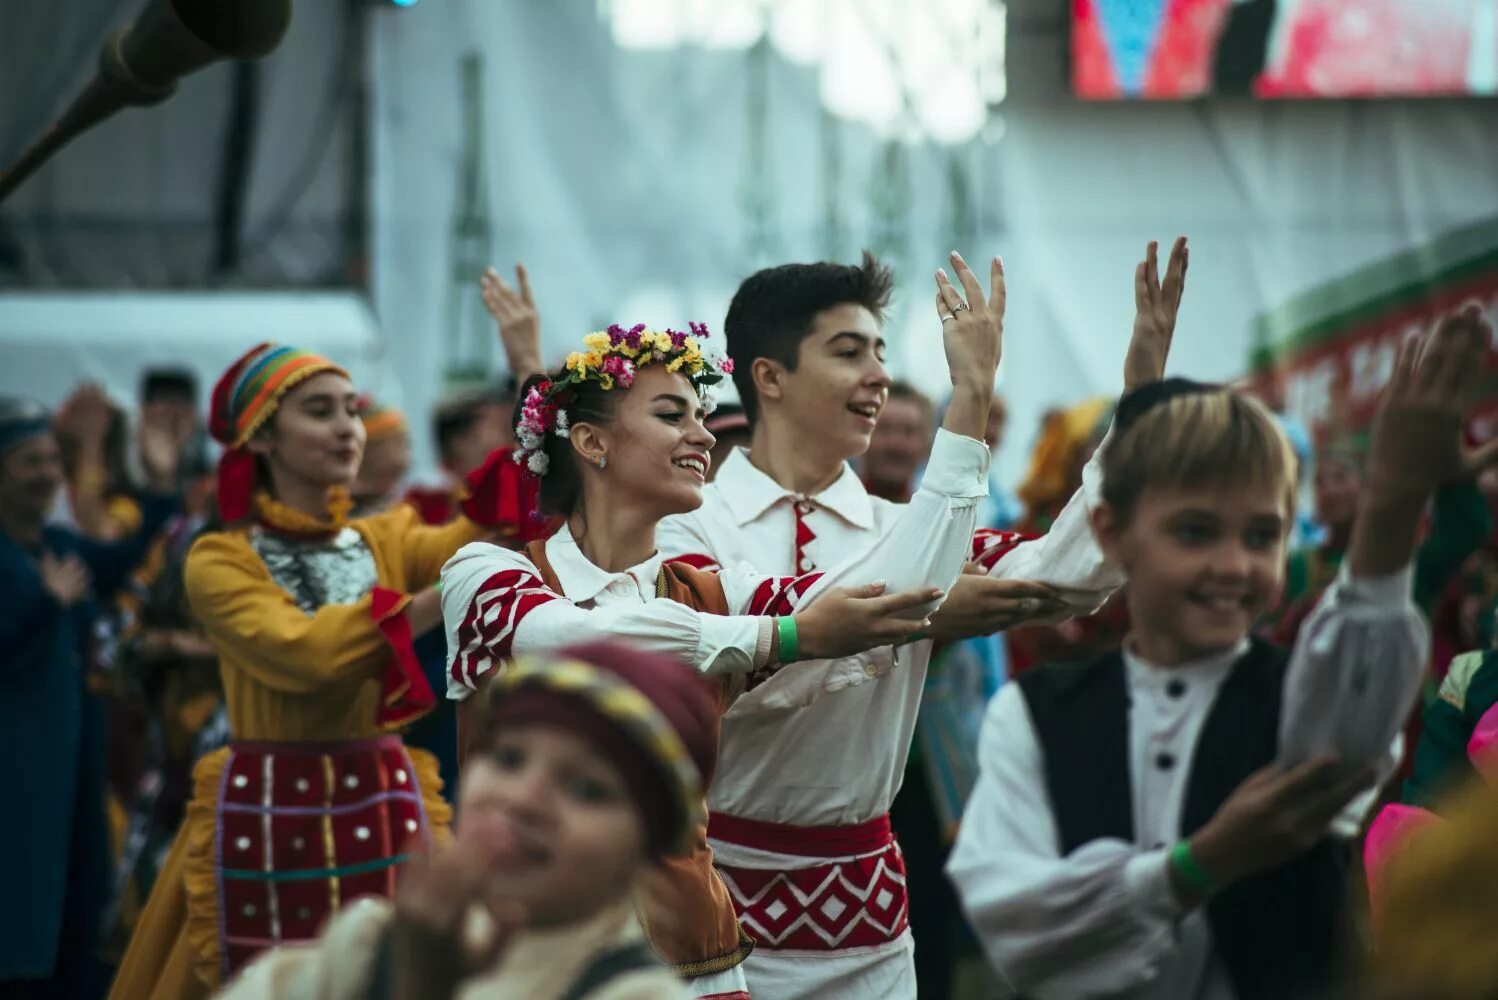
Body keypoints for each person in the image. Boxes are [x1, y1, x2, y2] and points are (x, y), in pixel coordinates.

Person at [645, 240, 1186, 999]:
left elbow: (1067, 577)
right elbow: (743, 665)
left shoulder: (898, 527)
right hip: (717, 921)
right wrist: (966, 409)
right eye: (848, 352)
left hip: (870, 928)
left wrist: (1137, 414)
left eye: (880, 351)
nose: (879, 376)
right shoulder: (684, 528)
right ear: (767, 376)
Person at [441, 293, 1002, 998]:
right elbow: (572, 638)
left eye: (702, 417)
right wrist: (790, 636)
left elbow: (901, 586)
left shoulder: (718, 589)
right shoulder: (488, 574)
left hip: (696, 957)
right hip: (525, 951)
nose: (705, 436)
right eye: (673, 415)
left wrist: (970, 405)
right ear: (590, 442)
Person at [948, 303, 1493, 999]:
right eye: (1196, 533)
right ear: (1112, 536)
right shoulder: (1031, 715)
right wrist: (1196, 866)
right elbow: (1017, 925)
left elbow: (1363, 685)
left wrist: (1392, 502)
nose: (1233, 566)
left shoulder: (1302, 697)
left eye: (1261, 537)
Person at [108, 337, 542, 1000]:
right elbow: (308, 656)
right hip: (269, 810)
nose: (348, 428)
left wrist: (527, 375)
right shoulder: (219, 559)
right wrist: (438, 597)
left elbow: (490, 531)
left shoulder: (385, 535)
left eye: (351, 410)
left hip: (382, 799)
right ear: (261, 439)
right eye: (320, 411)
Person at [221, 641, 725, 1000]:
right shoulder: (366, 945)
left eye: (588, 789)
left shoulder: (634, 993)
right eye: (507, 758)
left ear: (647, 849)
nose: (524, 800)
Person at [0, 396, 186, 999]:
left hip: (73, 760)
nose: (49, 473)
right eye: (31, 461)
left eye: (53, 459)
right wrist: (41, 602)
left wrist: (161, 481)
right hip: (16, 766)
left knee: (76, 895)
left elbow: (130, 559)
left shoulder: (60, 546)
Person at [860, 381, 935, 503]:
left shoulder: (936, 519)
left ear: (926, 446)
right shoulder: (826, 513)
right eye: (884, 429)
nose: (896, 444)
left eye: (909, 432)